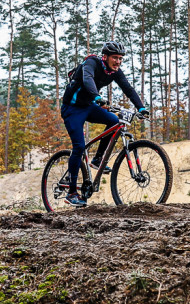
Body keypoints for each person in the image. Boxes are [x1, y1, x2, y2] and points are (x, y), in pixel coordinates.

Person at [59, 41, 149, 207]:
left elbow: (128, 89)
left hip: (89, 106)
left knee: (114, 121)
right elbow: (87, 79)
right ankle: (71, 193)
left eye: (121, 58)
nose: (118, 61)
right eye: (115, 58)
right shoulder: (91, 63)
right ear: (105, 57)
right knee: (79, 147)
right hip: (72, 109)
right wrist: (97, 97)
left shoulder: (114, 71)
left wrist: (141, 108)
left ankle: (98, 159)